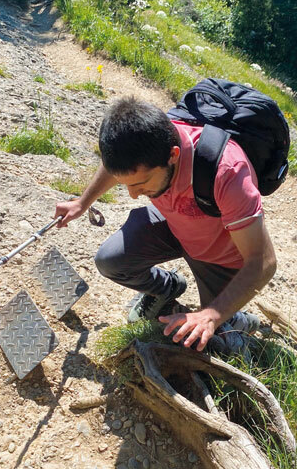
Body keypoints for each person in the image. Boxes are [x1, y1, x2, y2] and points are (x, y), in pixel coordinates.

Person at [54, 98, 277, 354]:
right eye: (126, 183)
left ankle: (237, 320)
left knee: (215, 347)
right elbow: (118, 166)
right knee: (110, 261)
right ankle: (168, 290)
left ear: (173, 155)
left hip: (220, 255)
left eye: (142, 184)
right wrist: (82, 203)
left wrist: (211, 316)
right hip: (174, 224)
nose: (133, 195)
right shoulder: (143, 143)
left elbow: (263, 262)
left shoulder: (227, 172)